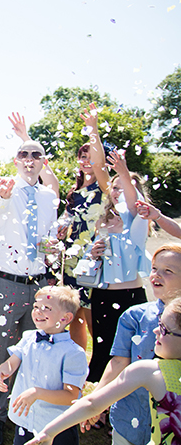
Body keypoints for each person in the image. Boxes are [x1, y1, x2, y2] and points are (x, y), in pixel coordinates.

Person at [25, 297, 181, 445]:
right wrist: (49, 432)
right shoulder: (149, 371)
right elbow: (92, 403)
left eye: (164, 329)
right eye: (159, 322)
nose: (155, 330)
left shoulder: (150, 371)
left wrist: (49, 432)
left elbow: (93, 405)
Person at [0, 140, 59, 445]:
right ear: (15, 159)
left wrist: (54, 249)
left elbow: (50, 238)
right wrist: (1, 197)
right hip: (6, 281)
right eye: (23, 154)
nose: (29, 159)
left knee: (35, 349)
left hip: (40, 283)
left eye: (36, 155)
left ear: (43, 161)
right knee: (1, 348)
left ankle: (24, 412)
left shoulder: (49, 197)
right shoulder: (3, 189)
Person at [81, 244, 181, 445]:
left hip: (171, 422)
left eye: (167, 271)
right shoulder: (134, 315)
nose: (157, 275)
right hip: (129, 417)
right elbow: (118, 362)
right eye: (154, 269)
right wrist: (97, 401)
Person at [84, 147, 151, 385]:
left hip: (130, 297)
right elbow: (89, 259)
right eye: (115, 186)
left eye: (124, 186)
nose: (118, 190)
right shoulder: (102, 220)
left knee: (128, 356)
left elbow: (132, 203)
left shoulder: (138, 218)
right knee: (103, 351)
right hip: (101, 295)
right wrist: (92, 253)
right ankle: (99, 413)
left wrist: (122, 171)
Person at [0, 286, 88, 445]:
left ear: (65, 318)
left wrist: (37, 393)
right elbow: (13, 362)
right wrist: (2, 371)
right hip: (25, 420)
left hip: (57, 427)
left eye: (46, 308)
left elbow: (71, 396)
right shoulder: (28, 337)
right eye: (36, 307)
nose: (38, 311)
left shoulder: (73, 353)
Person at [61, 103, 111, 351]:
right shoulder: (74, 193)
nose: (86, 161)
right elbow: (66, 220)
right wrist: (61, 229)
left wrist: (93, 130)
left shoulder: (104, 188)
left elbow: (101, 165)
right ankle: (80, 364)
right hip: (72, 261)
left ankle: (102, 364)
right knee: (75, 317)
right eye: (83, 156)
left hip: (95, 259)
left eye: (90, 156)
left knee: (95, 320)